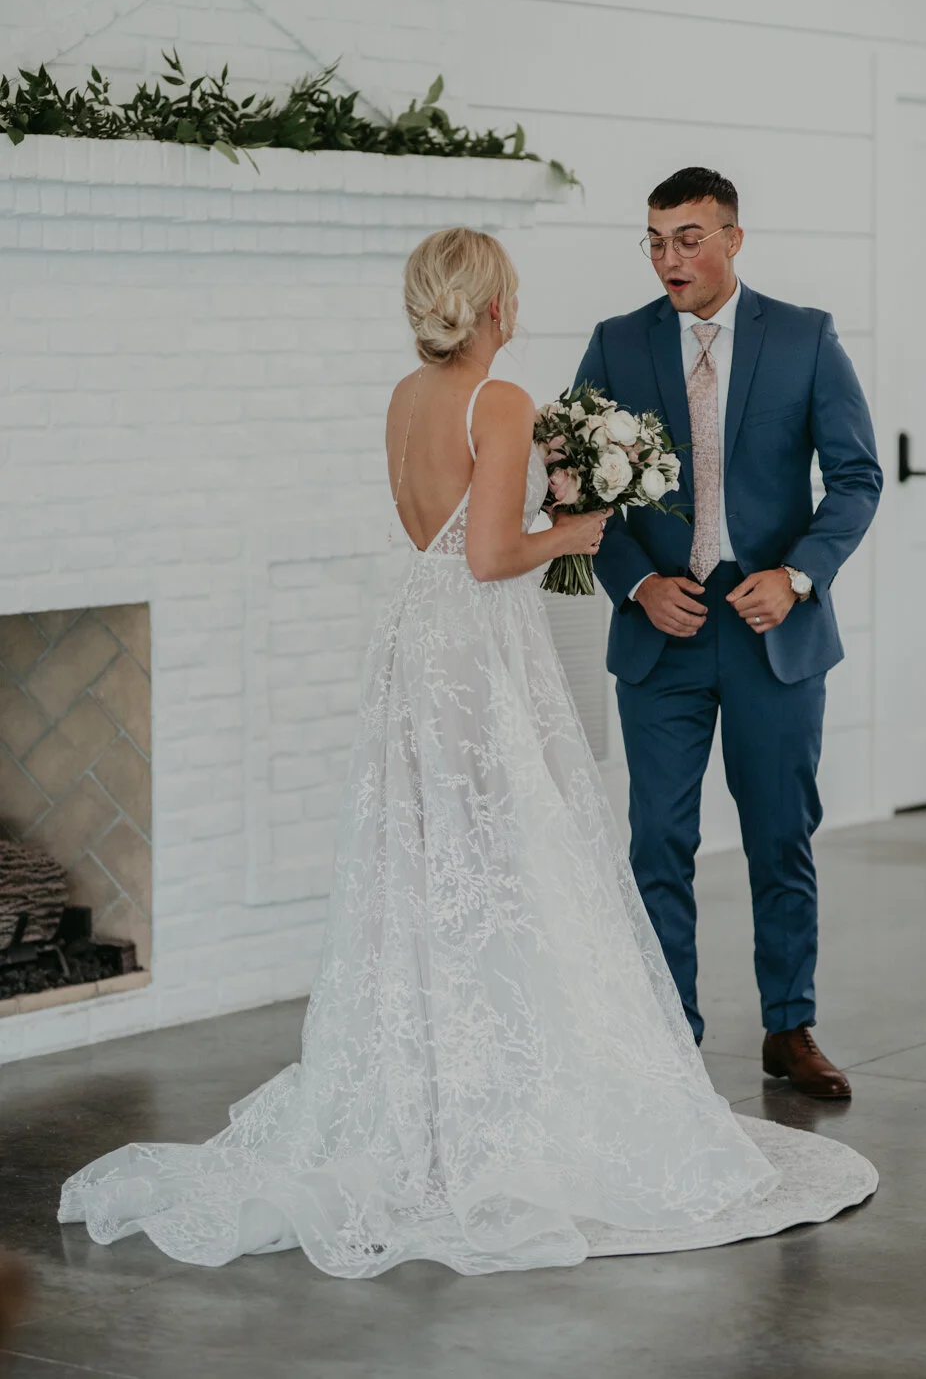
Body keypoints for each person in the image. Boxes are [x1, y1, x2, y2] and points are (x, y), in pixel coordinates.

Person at [58, 227, 876, 1278]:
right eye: (512, 292)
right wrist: (575, 532)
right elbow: (491, 555)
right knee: (513, 851)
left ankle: (442, 1076)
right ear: (493, 306)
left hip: (416, 639)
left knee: (435, 857)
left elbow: (430, 536)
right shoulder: (499, 400)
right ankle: (509, 1081)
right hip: (477, 649)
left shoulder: (406, 396)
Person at [580, 168, 883, 1096]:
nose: (669, 258)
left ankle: (789, 1030)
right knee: (657, 843)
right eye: (656, 240)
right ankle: (670, 1042)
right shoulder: (617, 343)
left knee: (780, 838)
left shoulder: (804, 336)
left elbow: (857, 479)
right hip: (662, 637)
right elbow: (576, 491)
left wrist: (796, 577)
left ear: (733, 239)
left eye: (689, 238)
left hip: (771, 634)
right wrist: (638, 586)